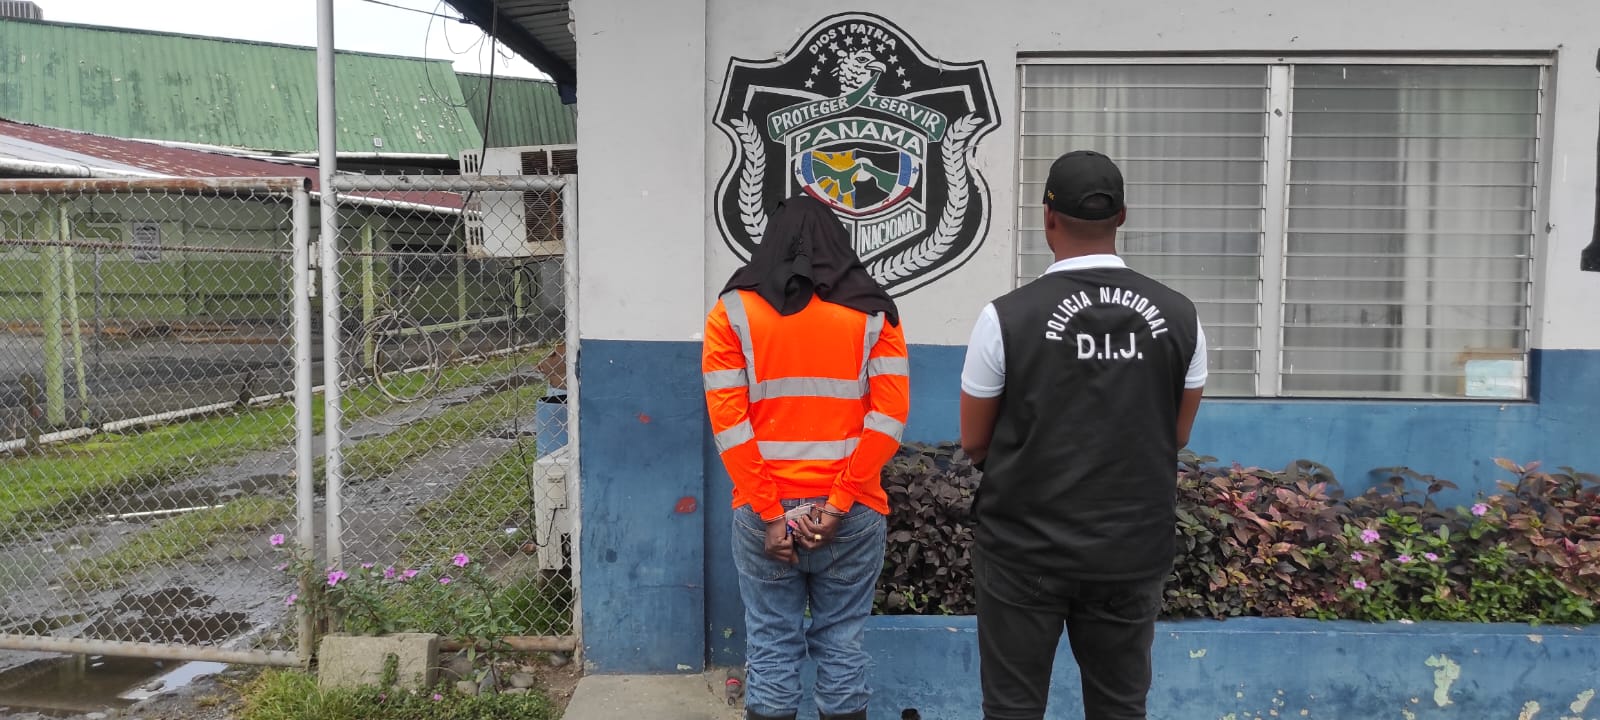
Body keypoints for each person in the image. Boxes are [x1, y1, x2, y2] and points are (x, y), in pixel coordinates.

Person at [958, 150, 1207, 720]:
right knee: (1120, 707)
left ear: (1047, 216)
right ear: (1122, 217)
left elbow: (974, 442)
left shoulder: (1005, 317)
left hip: (1024, 549)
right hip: (1130, 549)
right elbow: (1175, 434)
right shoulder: (1181, 316)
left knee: (1013, 710)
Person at [702, 195, 911, 720]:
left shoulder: (732, 312)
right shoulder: (874, 311)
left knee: (771, 644)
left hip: (762, 514)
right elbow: (888, 419)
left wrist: (772, 514)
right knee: (842, 642)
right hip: (852, 514)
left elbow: (729, 426)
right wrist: (838, 504)